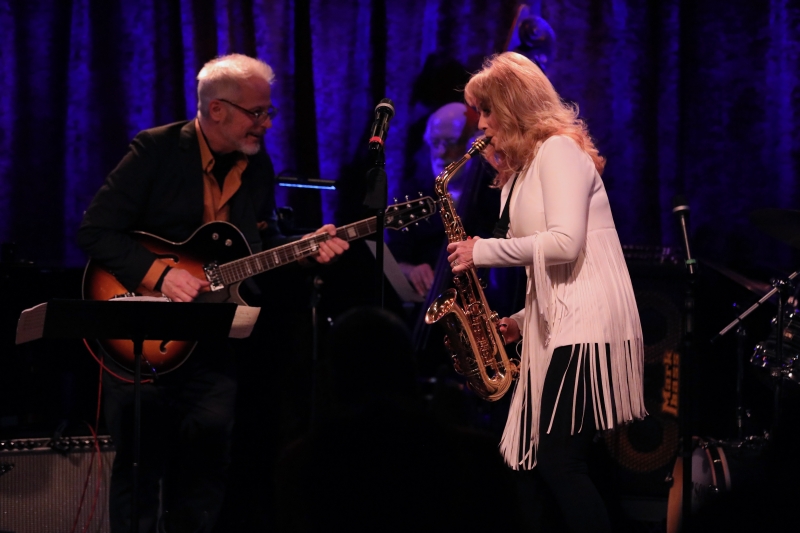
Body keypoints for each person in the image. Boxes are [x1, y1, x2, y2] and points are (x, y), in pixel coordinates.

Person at [77, 53, 348, 533]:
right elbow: (96, 232)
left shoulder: (257, 167)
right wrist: (161, 276)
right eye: (256, 112)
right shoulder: (156, 151)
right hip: (143, 336)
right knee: (140, 471)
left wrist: (302, 251)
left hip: (212, 342)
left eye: (269, 113)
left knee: (206, 472)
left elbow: (254, 251)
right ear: (216, 109)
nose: (265, 123)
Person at [446, 51, 646, 532]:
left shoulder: (559, 149)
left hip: (590, 324)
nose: (482, 124)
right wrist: (518, 320)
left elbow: (565, 244)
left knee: (561, 463)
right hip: (559, 322)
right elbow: (551, 272)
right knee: (537, 468)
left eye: (488, 111)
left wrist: (482, 251)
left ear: (514, 106)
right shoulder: (521, 170)